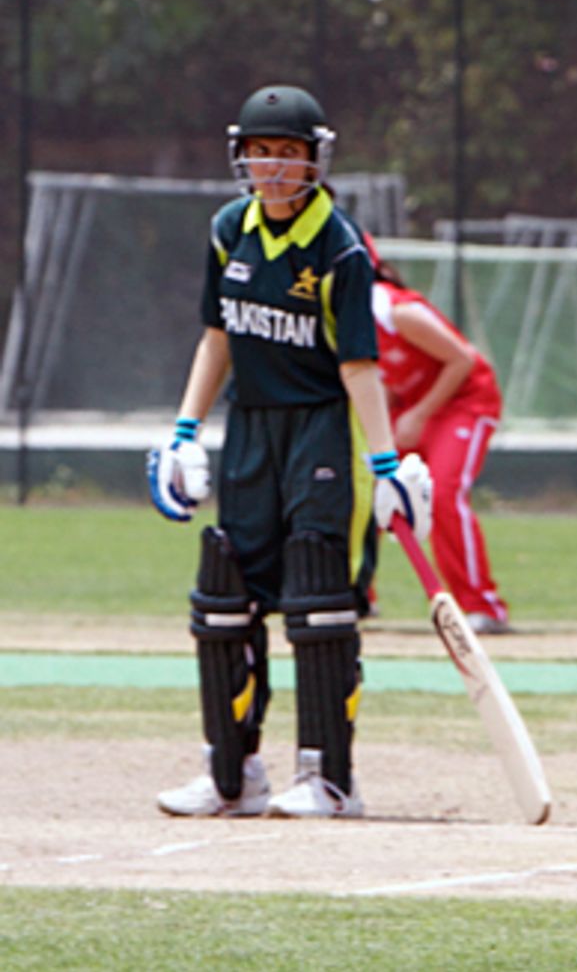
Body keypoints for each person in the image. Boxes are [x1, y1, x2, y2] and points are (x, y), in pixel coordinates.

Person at [148, 84, 433, 817]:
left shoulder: (339, 245)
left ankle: (329, 778)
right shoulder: (228, 229)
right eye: (259, 152)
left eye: (287, 153)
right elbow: (217, 337)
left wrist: (386, 463)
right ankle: (232, 775)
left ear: (314, 160)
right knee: (226, 594)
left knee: (316, 591)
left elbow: (358, 365)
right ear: (240, 157)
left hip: (322, 429)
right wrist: (184, 431)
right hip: (250, 428)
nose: (272, 167)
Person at [364, 233, 510, 633]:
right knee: (364, 489)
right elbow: (380, 377)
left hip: (464, 402)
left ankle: (483, 606)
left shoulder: (395, 310)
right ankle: (358, 596)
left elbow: (462, 359)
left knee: (443, 494)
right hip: (412, 406)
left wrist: (419, 415)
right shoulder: (340, 319)